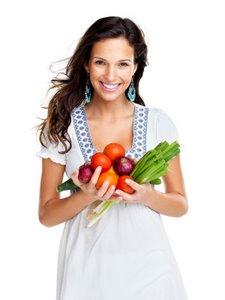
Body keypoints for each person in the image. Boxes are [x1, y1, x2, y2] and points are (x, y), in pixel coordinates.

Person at [37, 16, 188, 300]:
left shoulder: (157, 122)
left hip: (151, 270)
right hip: (86, 272)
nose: (110, 75)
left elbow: (180, 204)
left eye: (122, 64)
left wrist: (145, 195)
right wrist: (86, 195)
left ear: (135, 68)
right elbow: (46, 214)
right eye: (100, 62)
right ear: (86, 64)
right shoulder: (61, 126)